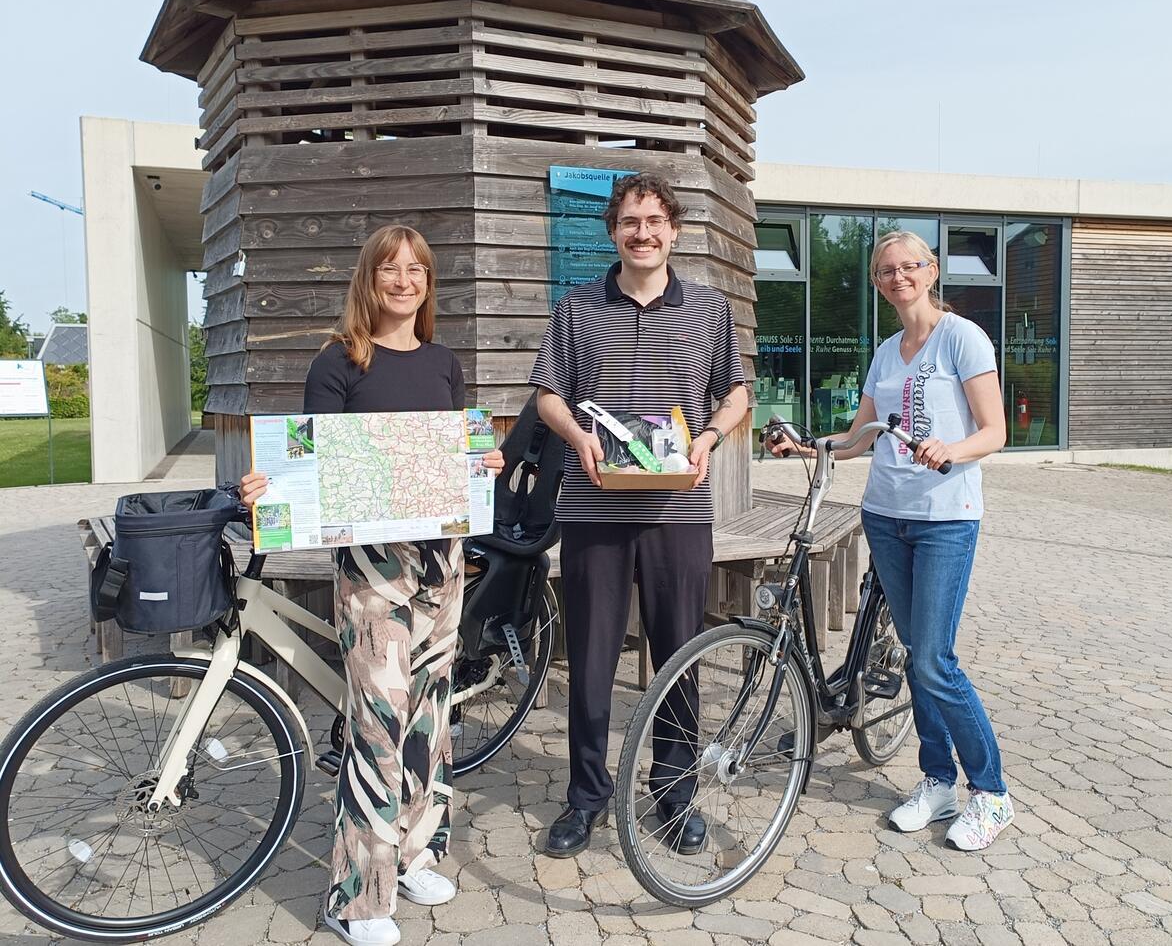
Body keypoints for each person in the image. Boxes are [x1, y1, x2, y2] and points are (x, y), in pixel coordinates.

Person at [240, 225, 504, 946]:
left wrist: (485, 463)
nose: (404, 279)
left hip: (441, 562)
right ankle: (357, 896)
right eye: (390, 268)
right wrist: (270, 482)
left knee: (430, 714)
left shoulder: (444, 362)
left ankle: (417, 851)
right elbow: (306, 457)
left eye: (416, 267)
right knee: (376, 723)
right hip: (372, 569)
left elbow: (455, 451)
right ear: (369, 279)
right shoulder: (340, 362)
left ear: (427, 282)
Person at [768, 229, 1013, 851]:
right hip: (886, 514)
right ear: (877, 282)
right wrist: (806, 445)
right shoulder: (886, 351)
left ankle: (992, 793)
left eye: (909, 266)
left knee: (934, 660)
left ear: (931, 271)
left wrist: (950, 450)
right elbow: (860, 439)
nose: (897, 276)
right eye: (885, 270)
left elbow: (995, 431)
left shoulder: (962, 338)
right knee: (912, 655)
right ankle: (937, 782)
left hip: (944, 517)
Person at [529, 171, 749, 858]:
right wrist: (578, 436)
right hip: (593, 507)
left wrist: (710, 436)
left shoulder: (709, 308)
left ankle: (674, 794)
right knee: (591, 660)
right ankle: (585, 797)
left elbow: (736, 394)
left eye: (655, 221)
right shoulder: (575, 307)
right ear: (614, 232)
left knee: (679, 655)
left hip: (679, 509)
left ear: (674, 230)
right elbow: (547, 396)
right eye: (631, 221)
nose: (643, 232)